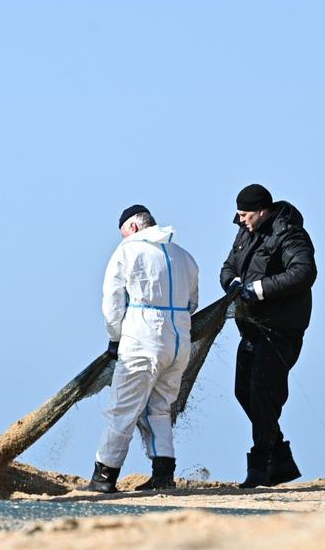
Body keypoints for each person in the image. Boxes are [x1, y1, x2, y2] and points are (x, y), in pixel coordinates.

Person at [85, 205, 199, 493]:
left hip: (142, 342)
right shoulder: (185, 257)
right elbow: (193, 304)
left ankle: (104, 477)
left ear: (133, 228)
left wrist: (115, 337)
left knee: (122, 409)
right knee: (159, 409)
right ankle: (163, 475)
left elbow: (112, 303)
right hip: (179, 345)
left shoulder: (127, 251)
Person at [220, 184, 316, 488]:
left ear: (263, 210)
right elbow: (227, 268)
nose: (241, 221)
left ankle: (261, 466)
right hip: (251, 329)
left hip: (281, 330)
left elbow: (304, 272)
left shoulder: (289, 234)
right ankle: (281, 459)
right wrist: (234, 283)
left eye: (245, 215)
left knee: (263, 395)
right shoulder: (245, 231)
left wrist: (259, 290)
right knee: (243, 392)